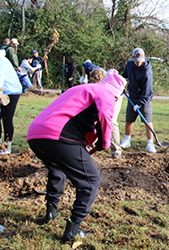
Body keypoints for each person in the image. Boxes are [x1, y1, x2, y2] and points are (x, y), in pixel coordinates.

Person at [27, 69, 126, 241]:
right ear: (118, 92)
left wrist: (90, 143)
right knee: (91, 181)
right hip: (60, 136)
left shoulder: (82, 88)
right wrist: (104, 143)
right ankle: (72, 229)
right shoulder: (107, 93)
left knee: (57, 170)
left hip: (36, 135)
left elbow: (75, 115)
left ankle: (51, 213)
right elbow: (105, 117)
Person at [120, 48, 156, 153]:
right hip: (132, 96)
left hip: (145, 98)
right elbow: (124, 77)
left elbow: (147, 91)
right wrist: (122, 86)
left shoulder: (147, 71)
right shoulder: (129, 65)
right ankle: (127, 140)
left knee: (147, 120)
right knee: (129, 119)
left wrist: (140, 104)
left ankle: (150, 143)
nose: (138, 62)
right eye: (136, 60)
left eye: (140, 60)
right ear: (132, 58)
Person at [88, 68, 124, 159]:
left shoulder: (108, 85)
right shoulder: (88, 66)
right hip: (102, 95)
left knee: (111, 120)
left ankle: (116, 150)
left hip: (115, 95)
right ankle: (89, 144)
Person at [0, 49, 22, 154]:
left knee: (7, 118)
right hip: (3, 90)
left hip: (11, 92)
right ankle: (1, 145)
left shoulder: (1, 63)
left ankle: (7, 146)